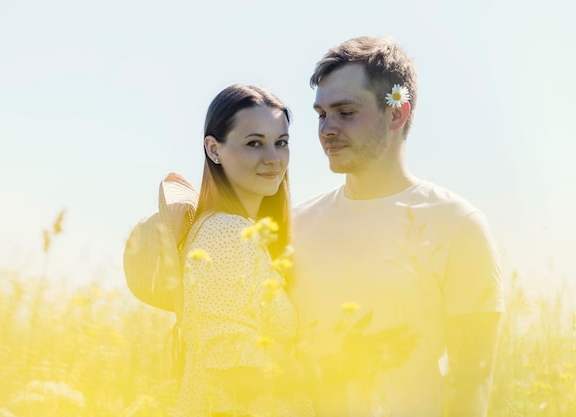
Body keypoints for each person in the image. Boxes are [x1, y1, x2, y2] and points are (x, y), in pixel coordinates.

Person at [290, 36, 505, 417]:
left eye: (345, 112)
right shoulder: (296, 226)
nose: (326, 129)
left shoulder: (458, 226)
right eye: (321, 114)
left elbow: (471, 383)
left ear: (396, 113)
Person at [173, 84, 315, 417]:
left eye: (281, 143)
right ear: (213, 149)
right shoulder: (227, 233)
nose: (272, 158)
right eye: (254, 143)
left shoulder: (238, 231)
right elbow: (235, 373)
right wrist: (335, 372)